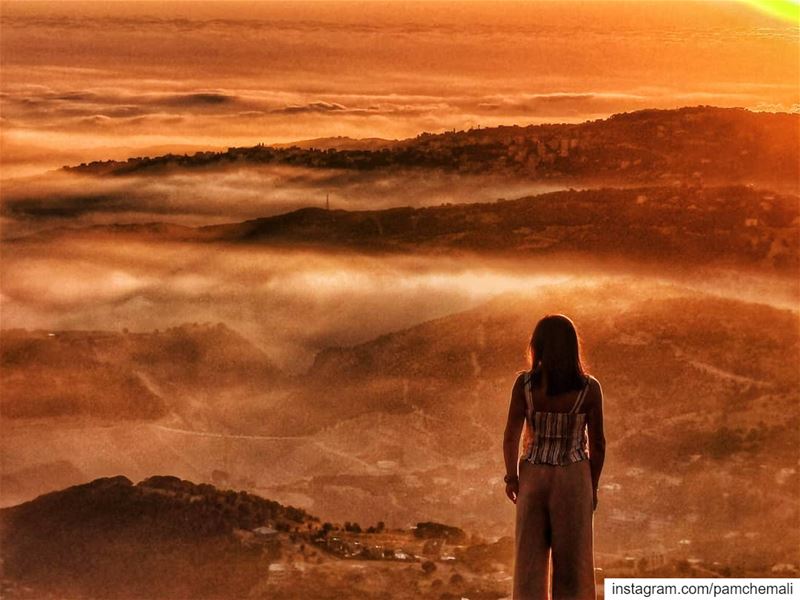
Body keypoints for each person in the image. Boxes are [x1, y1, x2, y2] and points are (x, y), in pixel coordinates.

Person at [502, 314, 606, 600]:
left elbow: (511, 436)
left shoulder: (524, 386)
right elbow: (598, 444)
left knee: (529, 565)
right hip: (573, 476)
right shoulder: (589, 389)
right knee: (574, 565)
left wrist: (512, 477)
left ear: (538, 346)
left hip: (533, 477)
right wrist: (592, 485)